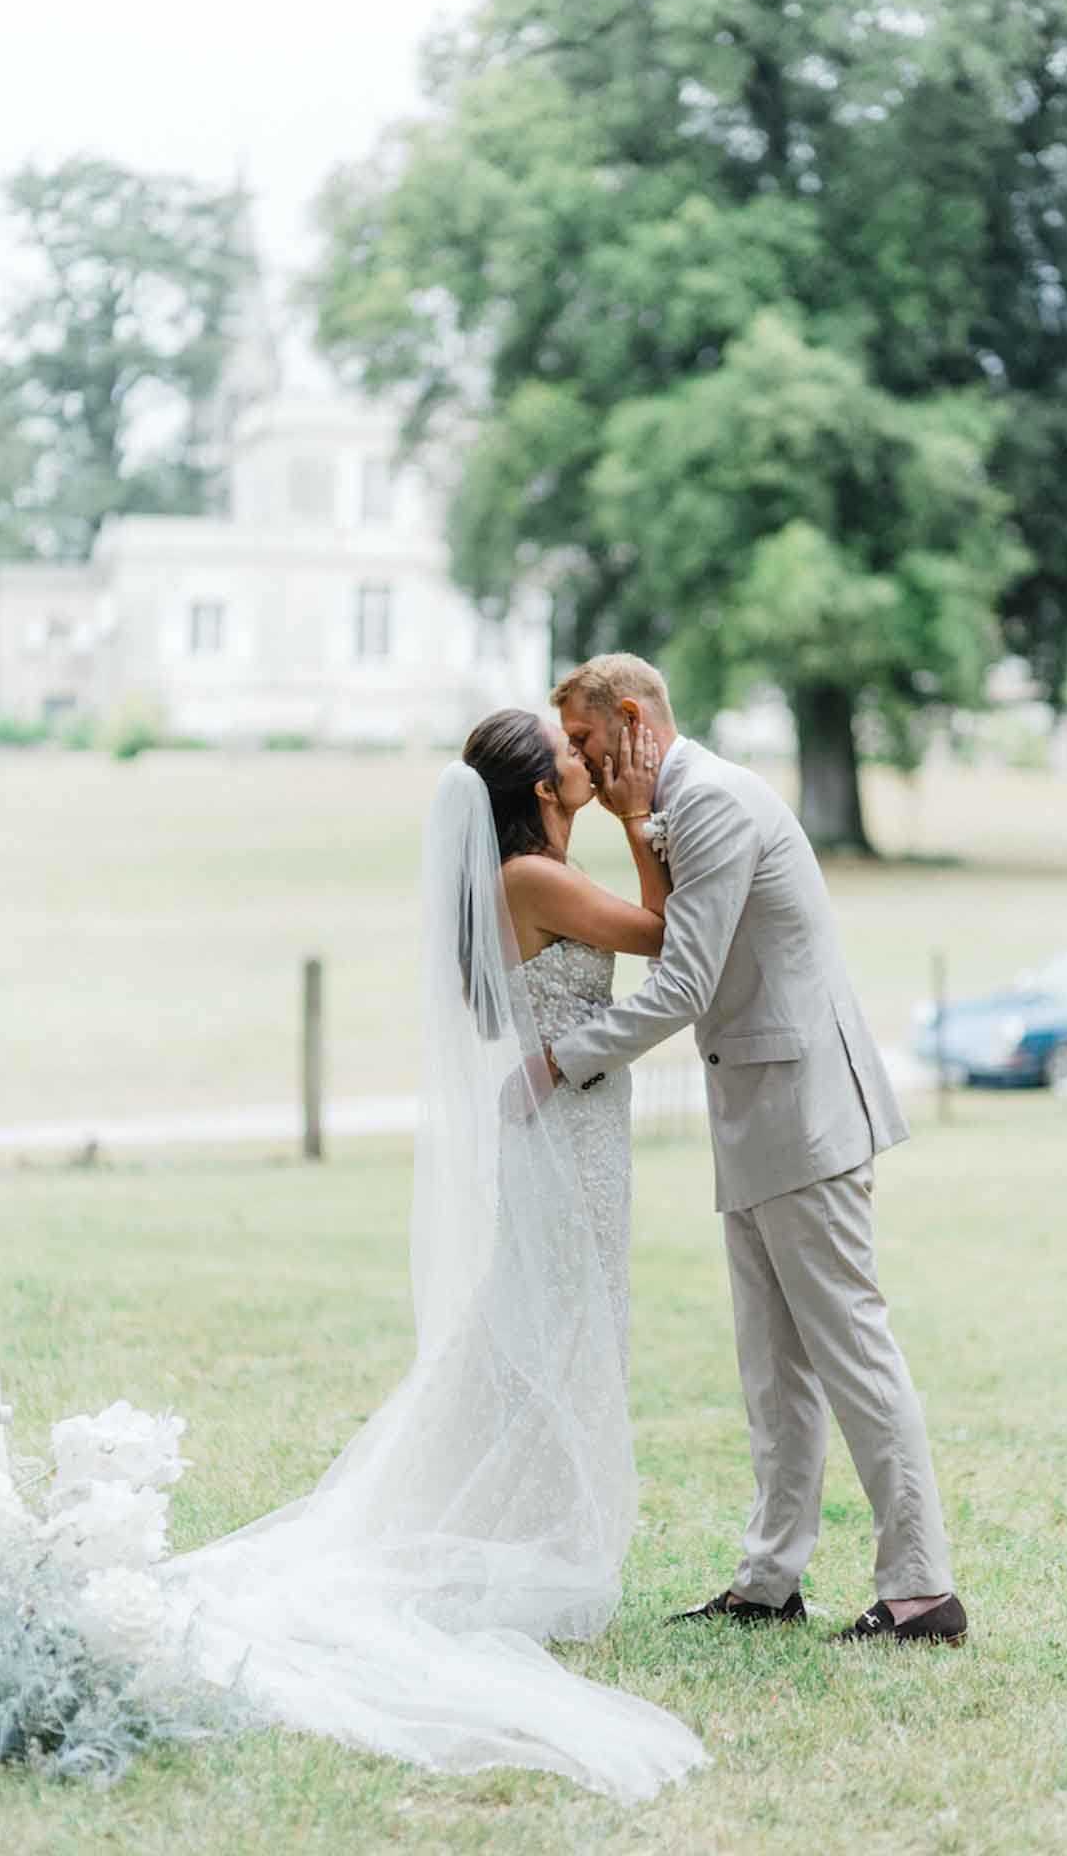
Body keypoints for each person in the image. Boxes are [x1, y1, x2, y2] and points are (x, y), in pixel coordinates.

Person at [160, 708, 705, 1802]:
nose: (584, 757)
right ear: (533, 787)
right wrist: (648, 812)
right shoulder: (528, 880)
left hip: (574, 1130)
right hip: (567, 1139)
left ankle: (537, 1527)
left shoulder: (537, 869)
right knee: (549, 1327)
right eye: (566, 753)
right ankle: (533, 1538)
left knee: (556, 1321)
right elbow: (658, 931)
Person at [546, 653, 966, 1647]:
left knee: (851, 1348)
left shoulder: (715, 804)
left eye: (585, 740)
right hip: (759, 1113)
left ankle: (922, 1589)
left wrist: (561, 1059)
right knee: (773, 1364)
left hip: (804, 1111)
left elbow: (684, 981)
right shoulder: (673, 806)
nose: (578, 760)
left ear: (634, 716)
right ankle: (770, 1578)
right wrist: (630, 813)